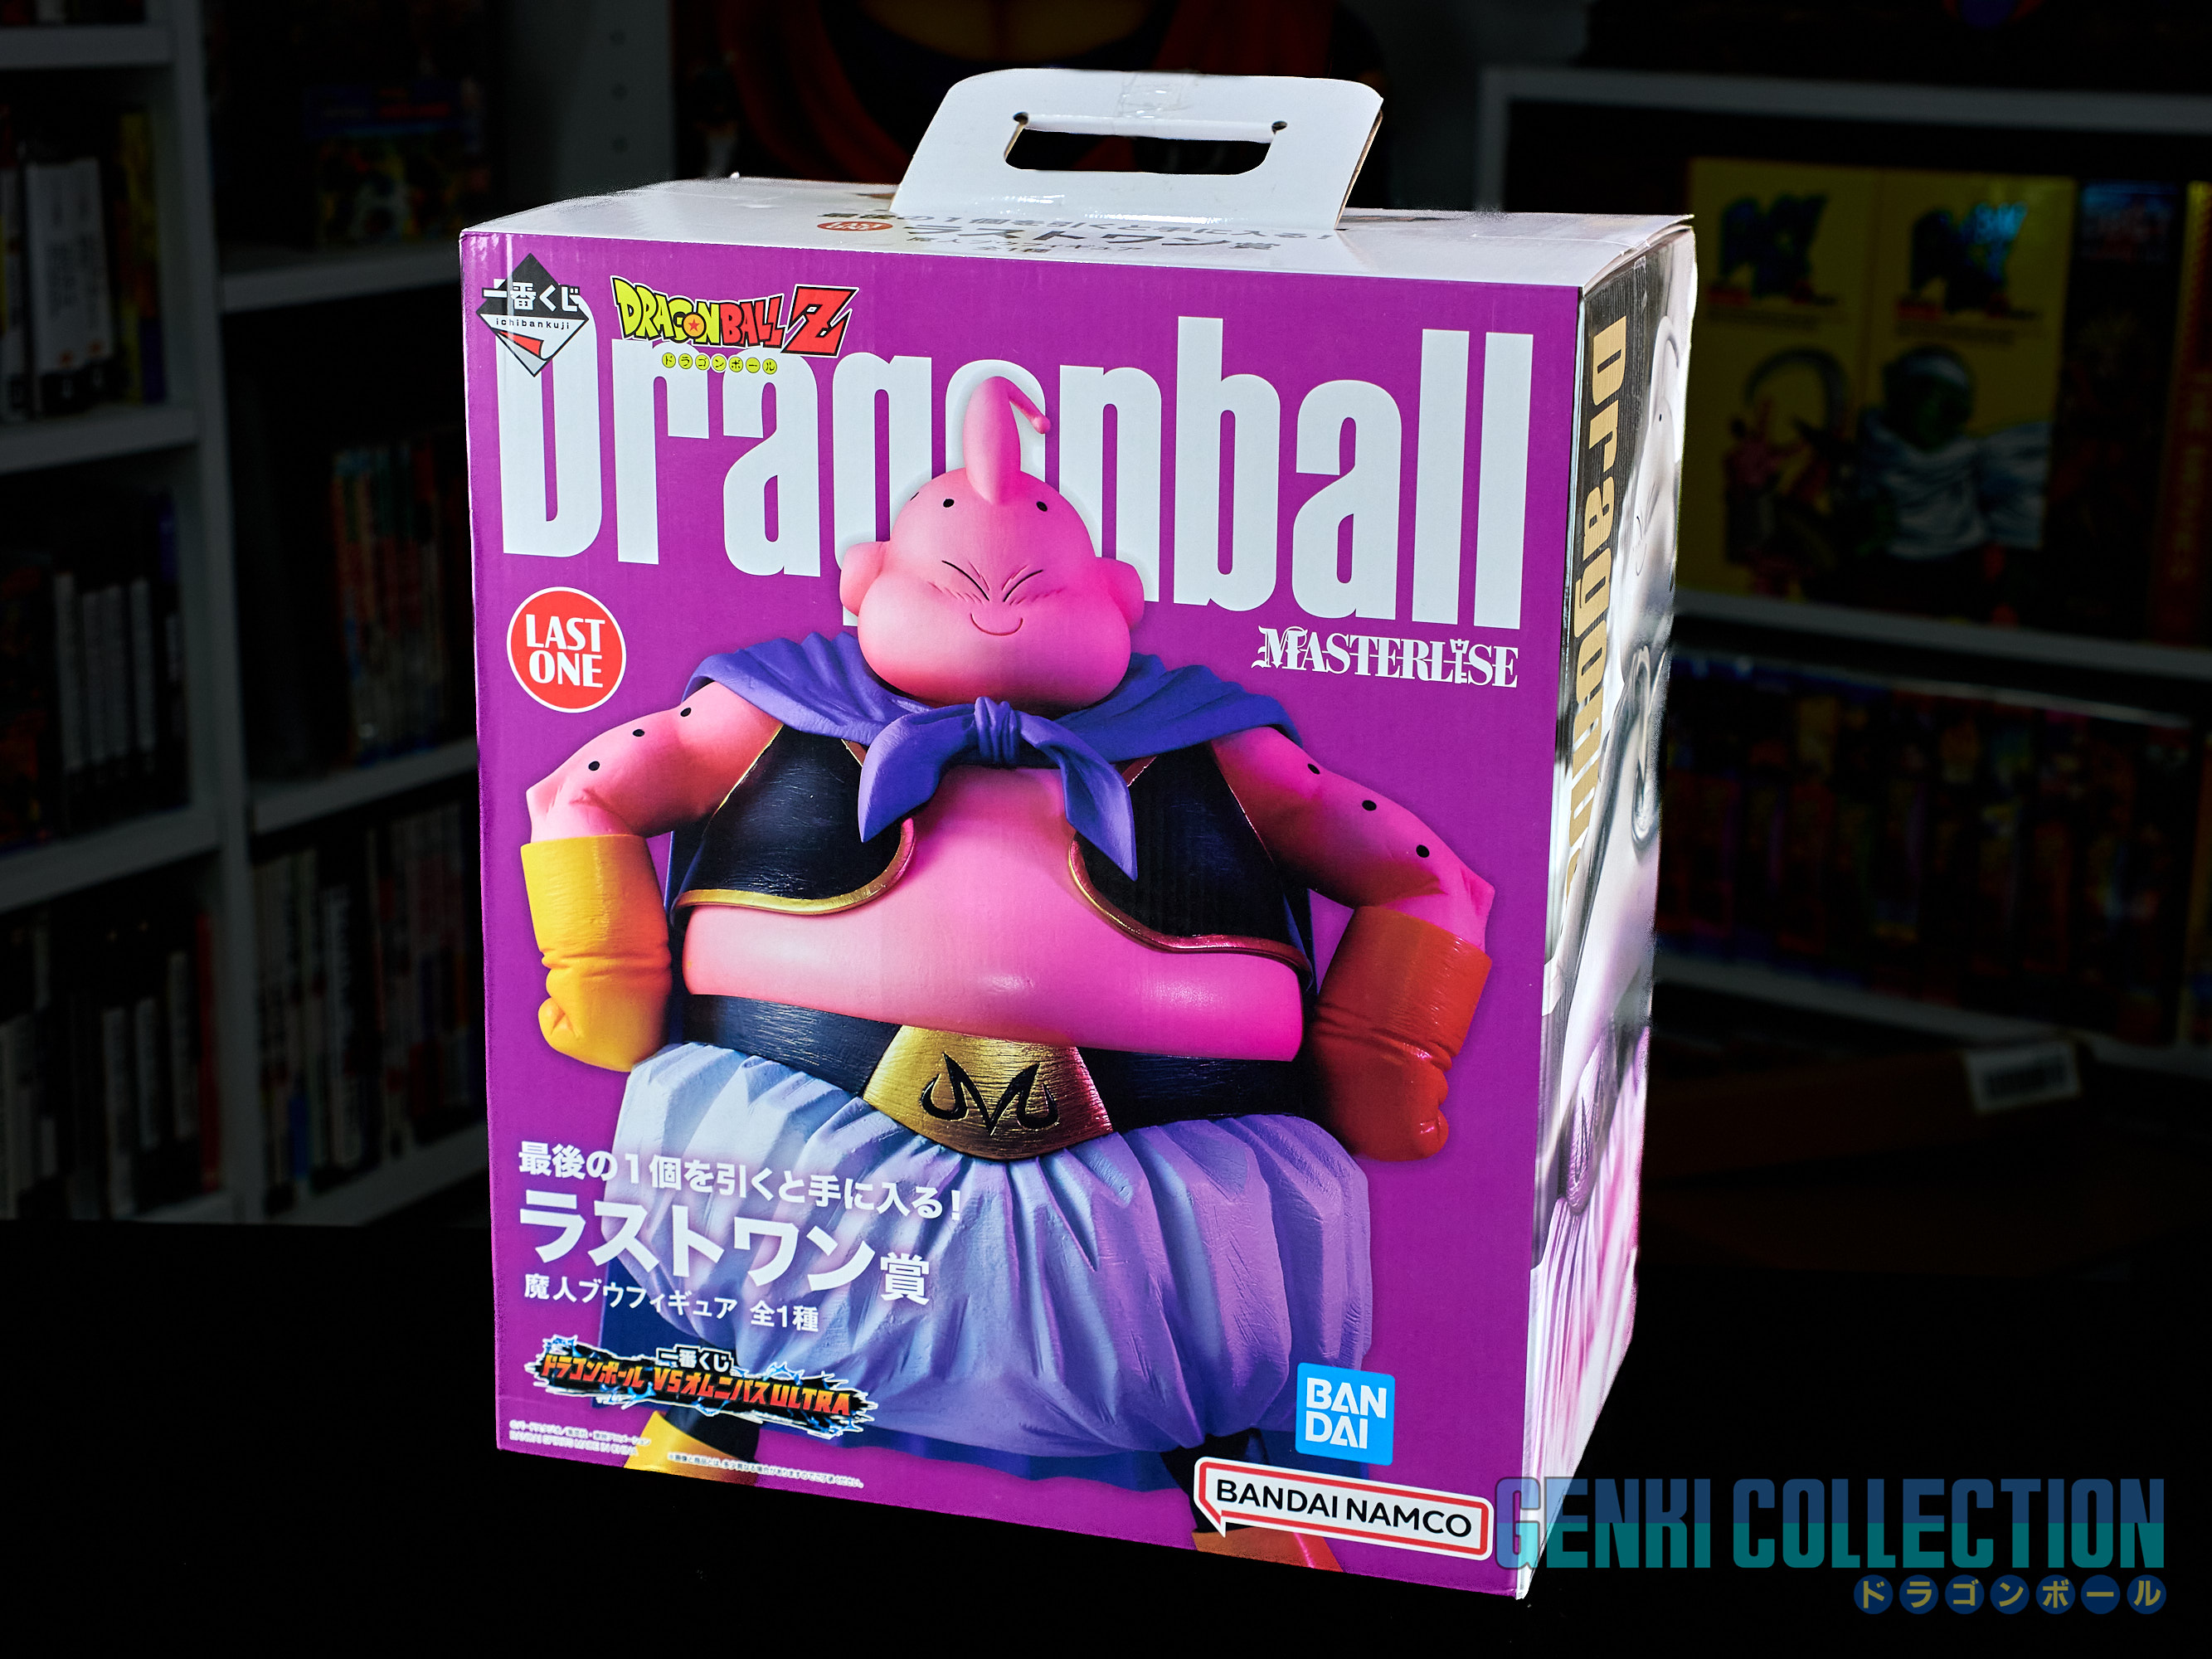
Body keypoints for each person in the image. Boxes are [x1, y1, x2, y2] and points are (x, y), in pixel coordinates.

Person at [521, 378, 1491, 1565]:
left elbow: (1421, 874)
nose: (992, 595)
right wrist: (607, 970)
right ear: (864, 580)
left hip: (1174, 1181)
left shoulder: (1224, 743)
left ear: (1119, 598)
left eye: (1030, 574)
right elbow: (583, 793)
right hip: (788, 1143)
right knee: (711, 1357)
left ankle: (1261, 1513)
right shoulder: (762, 711)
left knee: (1235, 1409)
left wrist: (1385, 1056)